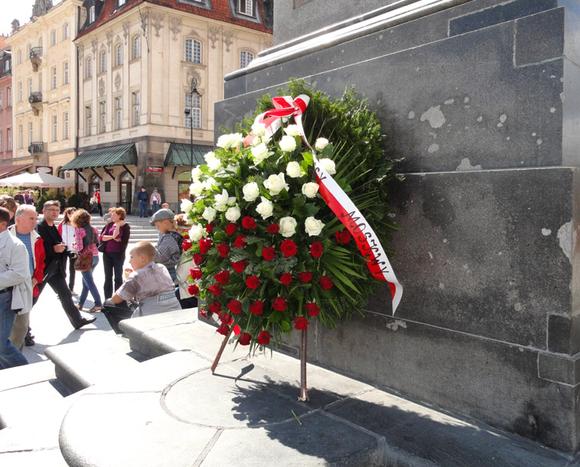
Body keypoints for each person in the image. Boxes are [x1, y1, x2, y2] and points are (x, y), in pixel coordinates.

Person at [37, 200, 96, 330]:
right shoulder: (39, 227)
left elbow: (59, 246)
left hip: (56, 268)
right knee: (32, 299)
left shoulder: (53, 226)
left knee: (65, 295)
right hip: (43, 269)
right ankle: (22, 329)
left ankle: (77, 321)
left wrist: (70, 252)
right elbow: (38, 249)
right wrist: (53, 249)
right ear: (44, 211)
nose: (54, 212)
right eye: (51, 210)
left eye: (57, 210)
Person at [102, 241, 181, 333]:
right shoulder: (161, 267)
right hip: (174, 311)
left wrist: (128, 279)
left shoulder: (135, 276)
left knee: (107, 303)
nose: (129, 261)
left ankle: (128, 333)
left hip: (152, 316)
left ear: (142, 258)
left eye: (131, 257)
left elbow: (116, 299)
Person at [8, 204, 45, 349]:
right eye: (31, 218)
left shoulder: (37, 239)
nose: (35, 222)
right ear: (18, 219)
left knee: (22, 326)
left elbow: (41, 262)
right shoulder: (5, 236)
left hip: (27, 285)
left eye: (36, 218)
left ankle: (16, 355)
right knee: (7, 325)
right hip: (7, 286)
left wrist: (36, 279)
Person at [0, 207, 30, 369]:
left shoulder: (15, 245)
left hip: (4, 298)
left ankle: (27, 374)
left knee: (1, 344)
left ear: (3, 224)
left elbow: (19, 274)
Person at [71, 209, 102, 312]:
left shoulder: (79, 230)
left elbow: (79, 247)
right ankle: (80, 304)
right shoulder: (94, 229)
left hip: (85, 259)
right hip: (95, 257)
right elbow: (97, 242)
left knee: (89, 282)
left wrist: (73, 245)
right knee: (86, 282)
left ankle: (98, 304)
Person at [100, 207, 131, 299]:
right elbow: (102, 237)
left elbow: (123, 240)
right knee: (108, 277)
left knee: (118, 277)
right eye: (111, 214)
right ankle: (107, 299)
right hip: (107, 254)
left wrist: (117, 226)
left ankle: (117, 299)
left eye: (114, 215)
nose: (111, 216)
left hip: (118, 255)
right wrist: (112, 238)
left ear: (120, 215)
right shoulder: (109, 224)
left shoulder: (125, 226)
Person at [151, 209, 182, 283]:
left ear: (166, 222)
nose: (157, 228)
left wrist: (150, 251)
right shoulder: (175, 235)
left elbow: (161, 258)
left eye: (158, 226)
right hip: (171, 271)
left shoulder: (168, 237)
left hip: (167, 272)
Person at [58, 207, 78, 293]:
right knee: (62, 270)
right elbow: (58, 236)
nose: (71, 215)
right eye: (70, 213)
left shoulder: (77, 225)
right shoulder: (62, 224)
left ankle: (71, 288)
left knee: (72, 270)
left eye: (73, 213)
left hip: (74, 250)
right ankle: (62, 289)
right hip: (63, 248)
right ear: (66, 214)